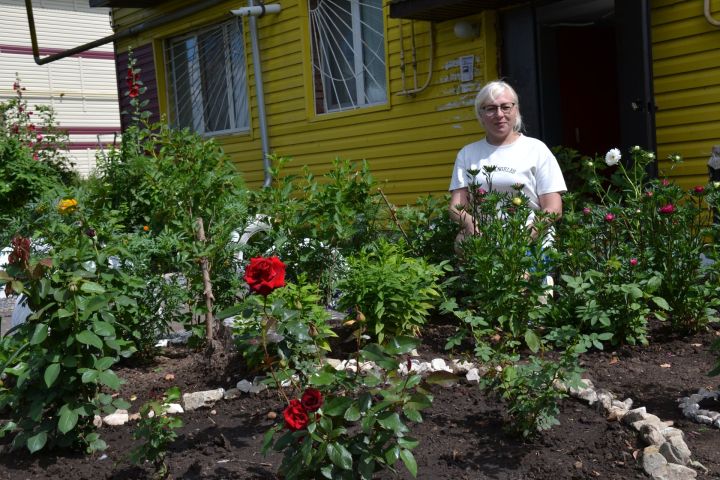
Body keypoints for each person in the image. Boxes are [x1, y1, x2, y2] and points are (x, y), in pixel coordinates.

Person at [448, 80, 567, 247]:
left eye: (505, 107)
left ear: (516, 110)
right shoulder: (468, 154)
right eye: (490, 108)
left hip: (533, 243)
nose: (499, 114)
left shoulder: (537, 149)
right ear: (480, 114)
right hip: (484, 243)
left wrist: (524, 238)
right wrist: (471, 225)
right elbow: (456, 208)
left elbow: (554, 208)